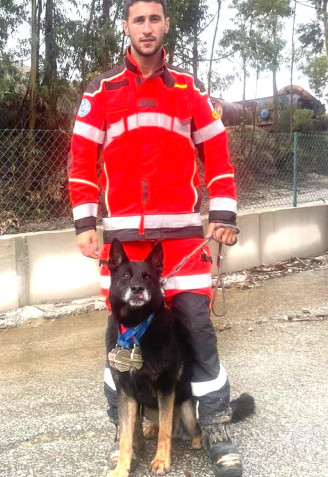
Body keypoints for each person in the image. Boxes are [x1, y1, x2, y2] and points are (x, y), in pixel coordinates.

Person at [68, 1, 242, 476]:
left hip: (183, 243)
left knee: (197, 334)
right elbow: (82, 162)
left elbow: (219, 156)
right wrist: (86, 224)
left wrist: (222, 214)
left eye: (155, 19)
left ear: (166, 25)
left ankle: (218, 430)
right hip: (125, 249)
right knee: (120, 337)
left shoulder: (190, 90)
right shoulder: (100, 92)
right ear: (126, 27)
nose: (147, 28)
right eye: (138, 19)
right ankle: (121, 422)